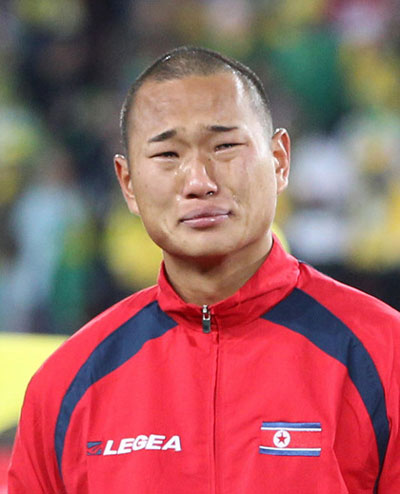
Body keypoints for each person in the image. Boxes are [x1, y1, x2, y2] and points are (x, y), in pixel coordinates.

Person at [8, 46, 400, 493]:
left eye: (225, 146)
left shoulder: (385, 355)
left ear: (279, 160)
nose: (199, 182)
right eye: (167, 155)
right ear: (128, 184)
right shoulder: (65, 385)